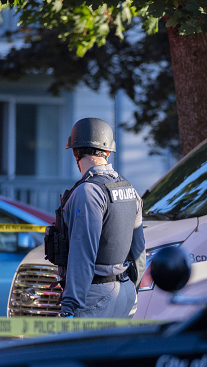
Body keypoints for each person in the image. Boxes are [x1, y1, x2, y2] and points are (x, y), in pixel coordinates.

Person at [56, 118, 146, 318]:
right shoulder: (129, 188)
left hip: (94, 296)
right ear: (107, 153)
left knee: (81, 350)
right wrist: (132, 289)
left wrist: (70, 305)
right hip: (125, 293)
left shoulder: (88, 192)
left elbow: (83, 253)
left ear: (75, 152)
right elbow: (139, 252)